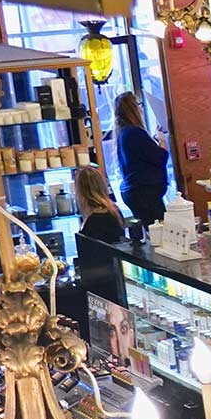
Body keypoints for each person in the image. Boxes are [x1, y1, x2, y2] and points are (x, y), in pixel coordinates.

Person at [111, 90, 171, 224]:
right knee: (161, 231)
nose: (141, 108)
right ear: (134, 109)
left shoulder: (124, 133)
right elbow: (160, 158)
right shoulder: (135, 132)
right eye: (139, 105)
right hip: (145, 192)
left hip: (134, 191)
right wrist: (162, 140)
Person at [73, 164, 130, 290]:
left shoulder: (95, 219)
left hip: (102, 282)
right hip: (116, 276)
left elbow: (92, 258)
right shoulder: (113, 210)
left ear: (80, 190)